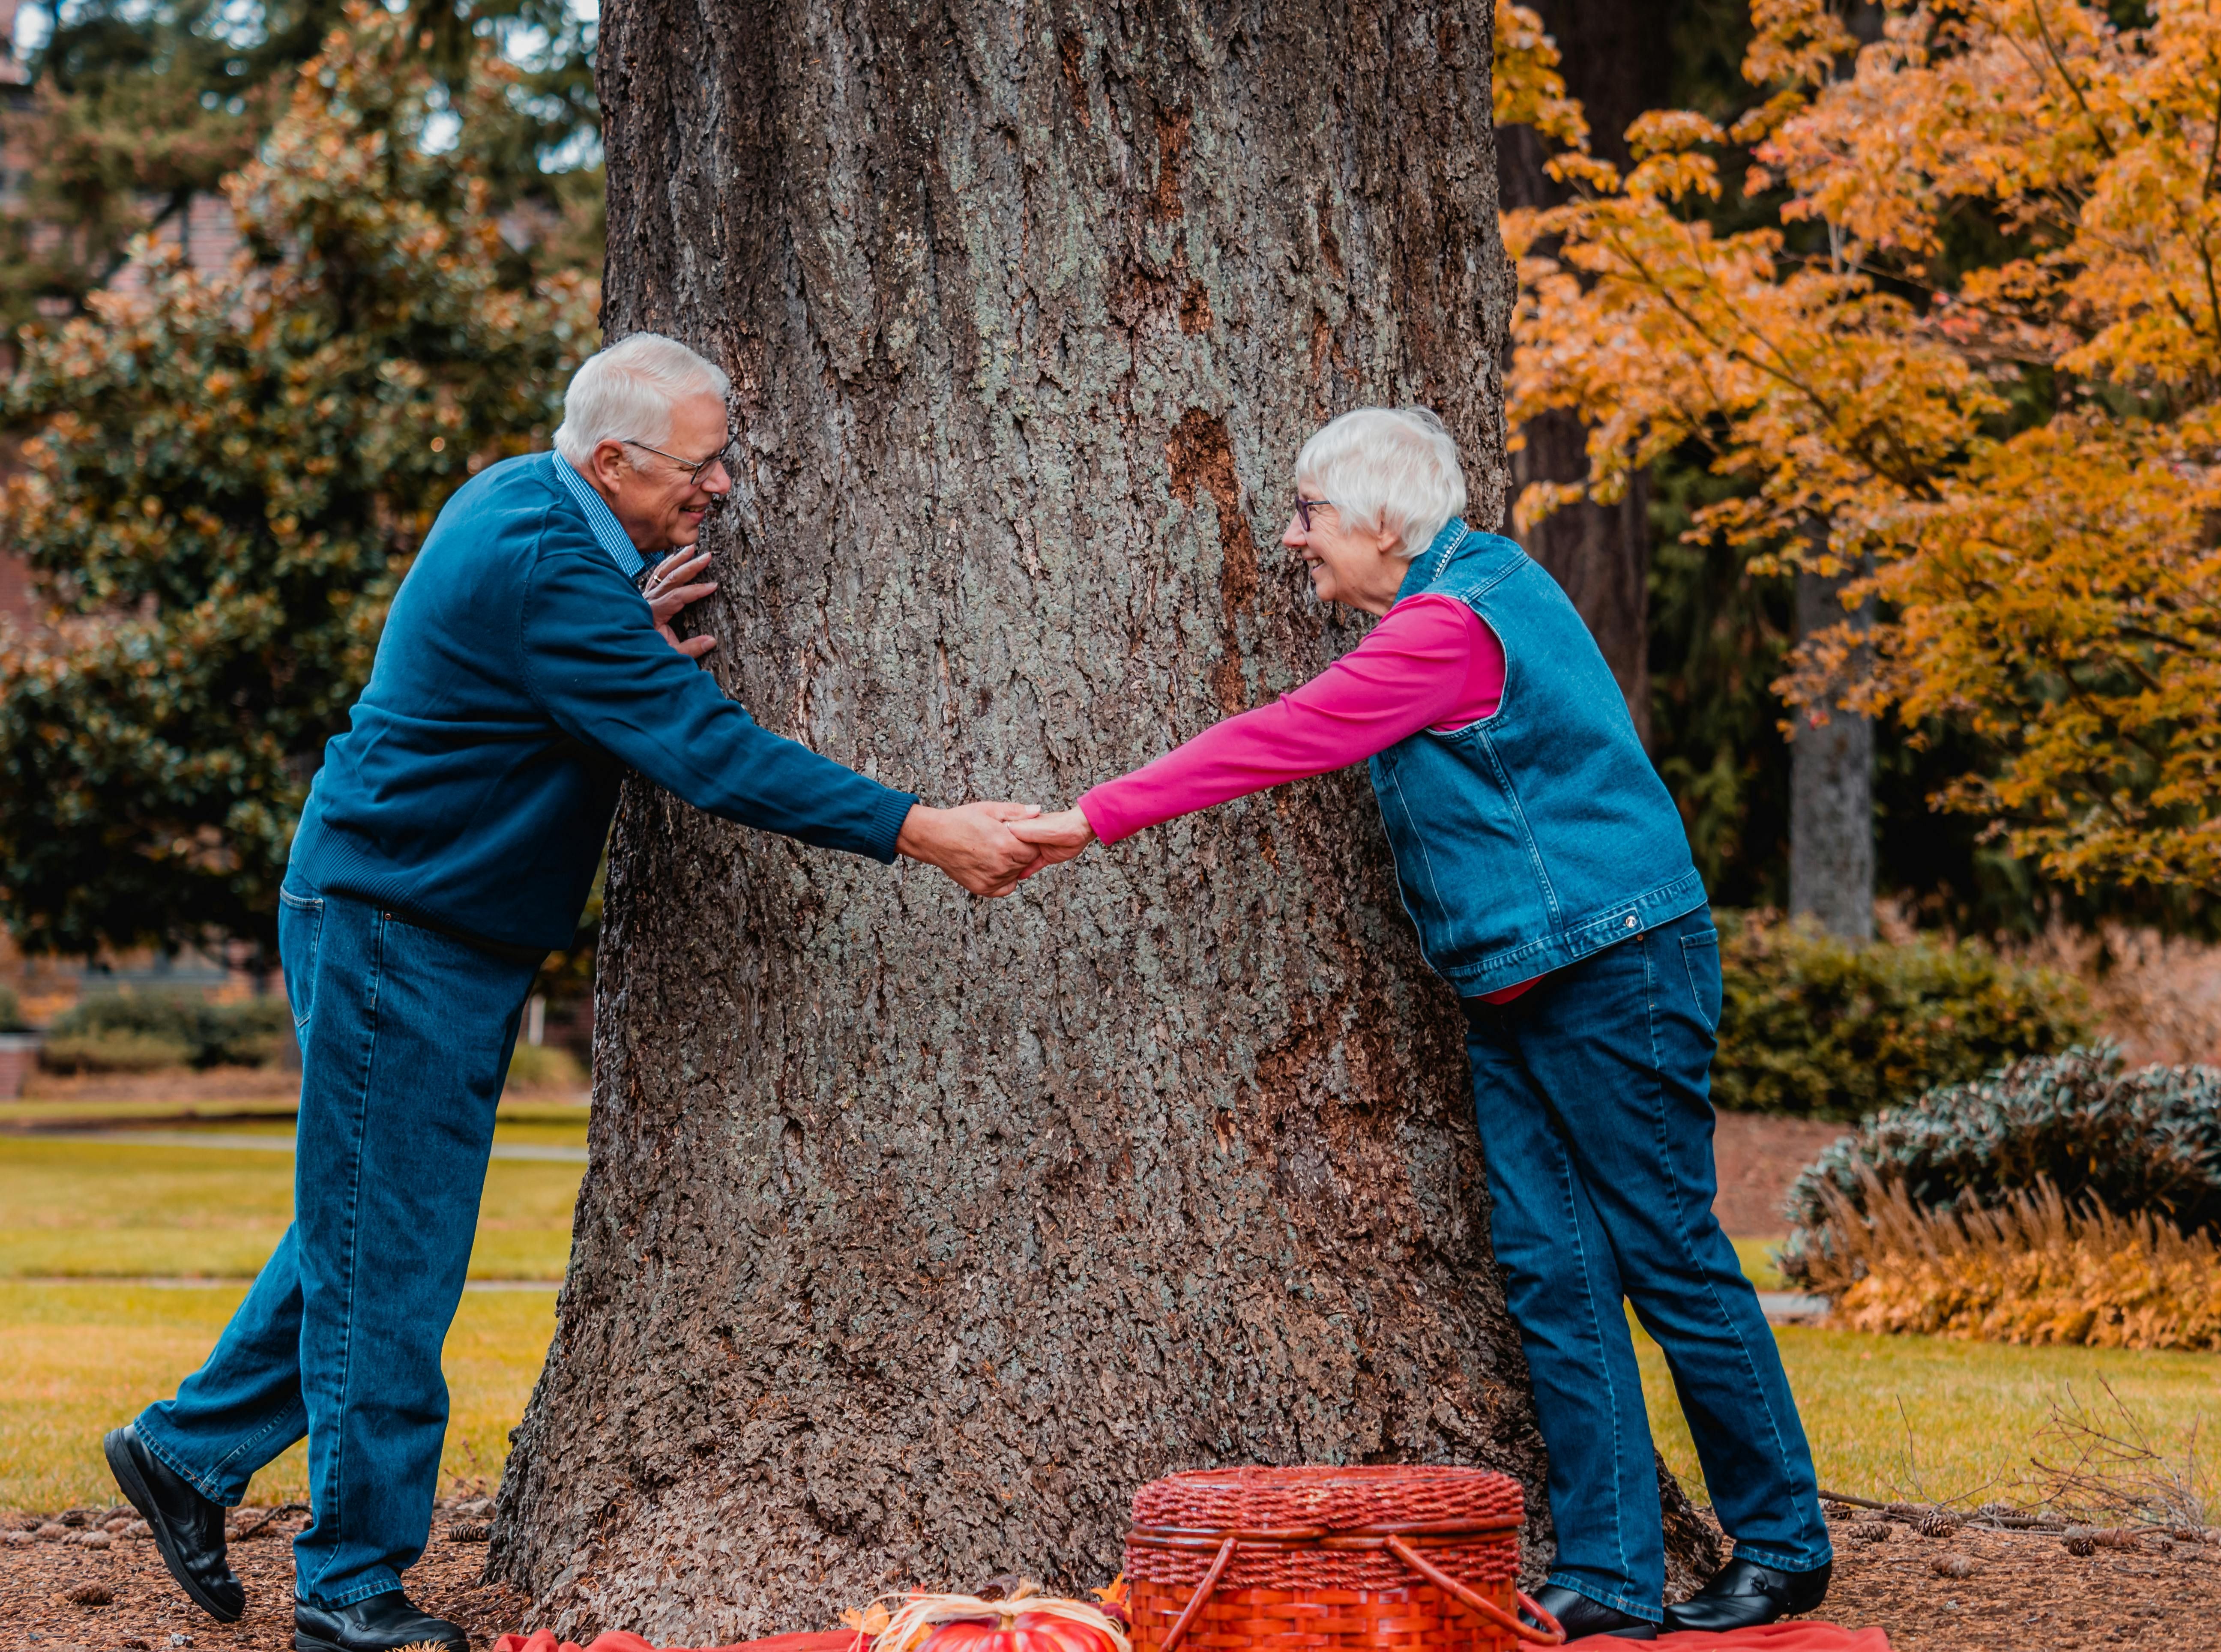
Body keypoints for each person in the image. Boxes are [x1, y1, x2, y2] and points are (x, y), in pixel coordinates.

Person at [103, 333, 1045, 1652]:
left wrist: (620, 630)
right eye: (700, 463)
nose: (722, 485)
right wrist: (923, 829)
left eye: (724, 455)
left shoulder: (533, 512)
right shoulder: (551, 562)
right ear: (610, 458)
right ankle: (351, 1588)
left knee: (373, 1225)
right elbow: (711, 753)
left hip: (423, 922)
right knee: (398, 1268)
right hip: (401, 931)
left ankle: (188, 1453)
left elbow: (552, 663)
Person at [1012, 408, 1833, 1640]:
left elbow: (1282, 740)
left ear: (1381, 520)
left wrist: (1093, 817)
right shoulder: (1464, 592)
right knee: (1554, 1269)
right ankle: (1610, 1574)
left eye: (1309, 513)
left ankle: (1784, 1545)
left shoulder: (1447, 625)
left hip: (1612, 968)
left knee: (1665, 1247)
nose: (1293, 537)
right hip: (1518, 982)